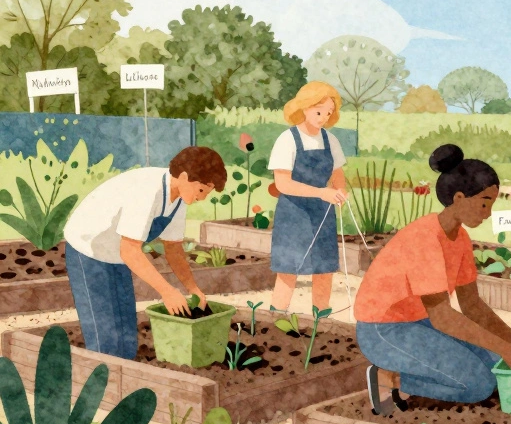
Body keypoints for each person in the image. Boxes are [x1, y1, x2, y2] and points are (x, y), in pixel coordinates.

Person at [356, 144, 511, 412]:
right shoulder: (425, 238)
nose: (488, 212)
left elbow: (472, 305)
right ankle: (390, 378)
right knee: (478, 385)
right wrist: (505, 347)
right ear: (460, 198)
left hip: (420, 323)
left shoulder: (460, 237)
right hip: (383, 330)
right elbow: (442, 316)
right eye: (484, 202)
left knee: (497, 367)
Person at [62, 146, 227, 359]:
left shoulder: (179, 200)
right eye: (202, 190)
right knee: (104, 332)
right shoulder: (148, 191)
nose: (202, 198)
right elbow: (130, 250)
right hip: (88, 248)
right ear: (185, 177)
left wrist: (192, 288)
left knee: (126, 328)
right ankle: (104, 382)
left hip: (115, 253)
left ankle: (125, 377)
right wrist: (167, 292)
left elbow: (173, 249)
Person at [267, 82, 349, 315]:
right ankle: (276, 317)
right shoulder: (287, 139)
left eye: (329, 113)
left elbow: (338, 174)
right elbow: (283, 183)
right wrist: (320, 192)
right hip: (294, 212)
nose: (323, 117)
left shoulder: (331, 140)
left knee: (323, 268)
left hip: (323, 212)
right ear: (304, 107)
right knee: (289, 268)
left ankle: (321, 319)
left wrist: (340, 191)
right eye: (318, 111)